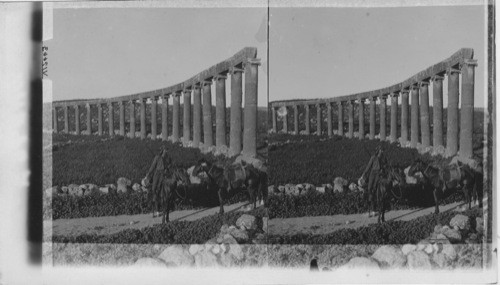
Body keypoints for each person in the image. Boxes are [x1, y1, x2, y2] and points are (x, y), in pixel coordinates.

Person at [142, 147, 173, 217]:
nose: (166, 152)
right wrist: (149, 173)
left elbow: (170, 164)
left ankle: (165, 205)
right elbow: (153, 166)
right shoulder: (157, 157)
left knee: (165, 189)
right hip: (157, 174)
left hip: (163, 174)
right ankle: (156, 208)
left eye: (167, 151)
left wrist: (167, 168)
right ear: (162, 151)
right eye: (165, 150)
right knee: (154, 189)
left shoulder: (167, 158)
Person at [360, 146, 388, 217]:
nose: (382, 151)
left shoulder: (383, 158)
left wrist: (383, 169)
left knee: (377, 189)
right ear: (378, 151)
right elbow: (368, 166)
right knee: (370, 189)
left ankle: (376, 208)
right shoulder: (373, 157)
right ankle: (371, 207)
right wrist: (364, 174)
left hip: (379, 174)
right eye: (381, 150)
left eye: (383, 150)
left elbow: (385, 166)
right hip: (373, 174)